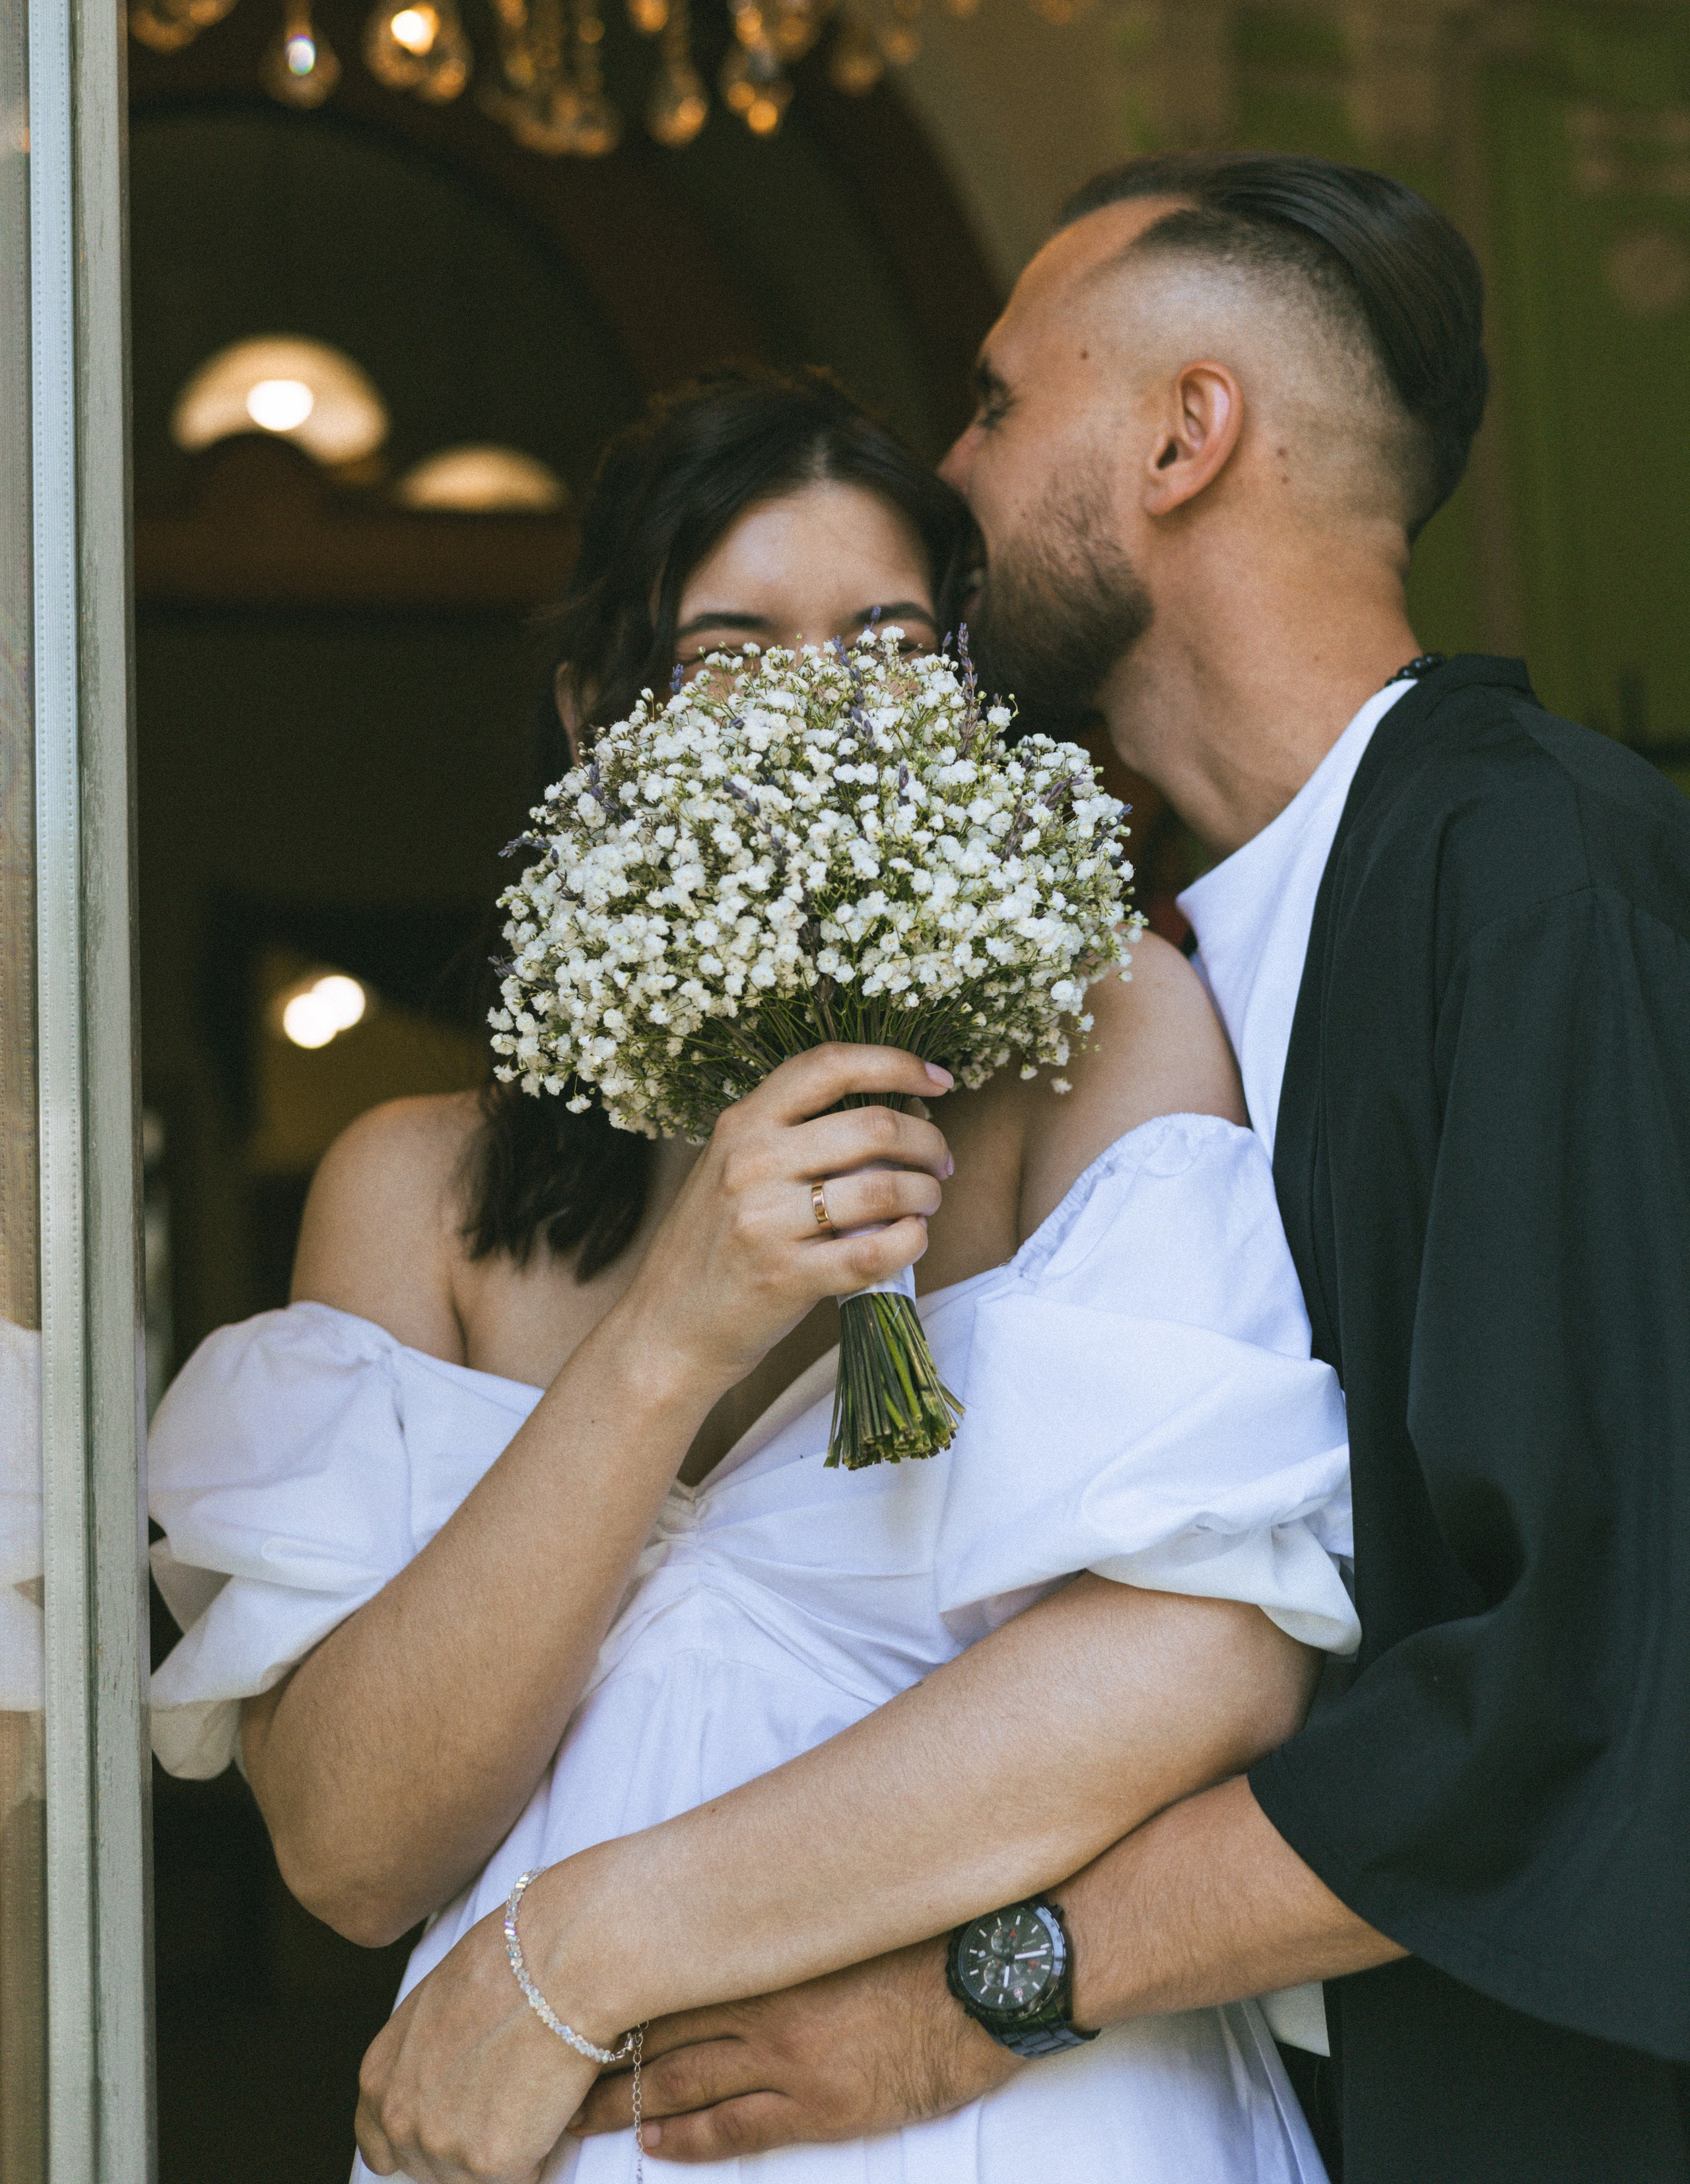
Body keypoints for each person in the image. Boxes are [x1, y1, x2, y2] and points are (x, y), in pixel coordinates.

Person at [566, 160, 1690, 2184]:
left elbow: (1594, 1684)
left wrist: (976, 1993)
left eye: (998, 405)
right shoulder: (1172, 964)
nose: (950, 471)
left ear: (1186, 437)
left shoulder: (1535, 883)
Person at [147, 370, 1361, 2184]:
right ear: (593, 713)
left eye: (885, 642)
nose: (821, 715)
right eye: (732, 649)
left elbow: (1205, 1672)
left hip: (1019, 2127)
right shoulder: (422, 1192)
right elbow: (349, 1850)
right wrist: (670, 1326)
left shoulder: (1108, 1045)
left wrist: (582, 1951)